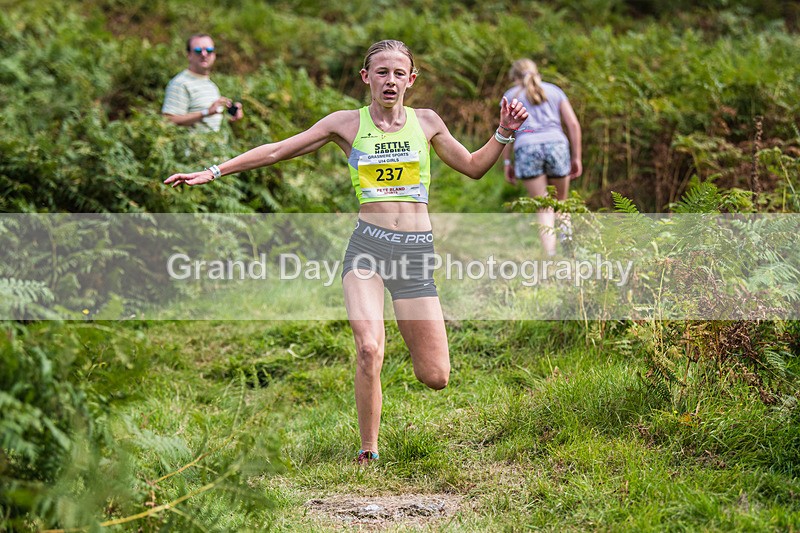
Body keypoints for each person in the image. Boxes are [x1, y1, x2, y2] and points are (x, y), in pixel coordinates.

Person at [165, 40, 528, 464]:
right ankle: (368, 451)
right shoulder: (346, 124)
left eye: (398, 73)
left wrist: (503, 132)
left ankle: (388, 415)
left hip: (414, 254)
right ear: (366, 77)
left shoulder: (427, 122)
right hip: (367, 251)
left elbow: (472, 166)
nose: (389, 80)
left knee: (436, 376)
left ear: (410, 80)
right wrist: (214, 171)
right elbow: (280, 149)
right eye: (381, 72)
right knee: (369, 347)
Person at [501, 59, 582, 256]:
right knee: (560, 202)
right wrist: (577, 157)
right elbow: (573, 124)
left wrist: (507, 162)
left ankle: (551, 256)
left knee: (543, 207)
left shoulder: (510, 96)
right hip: (557, 146)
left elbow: (505, 130)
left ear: (514, 78)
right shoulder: (555, 91)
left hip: (527, 148)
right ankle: (569, 251)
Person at [162, 33, 244, 132]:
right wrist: (206, 112)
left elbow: (208, 124)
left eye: (209, 51)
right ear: (189, 55)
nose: (204, 54)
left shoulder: (211, 85)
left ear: (214, 55)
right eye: (198, 51)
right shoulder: (180, 83)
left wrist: (231, 116)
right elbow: (168, 120)